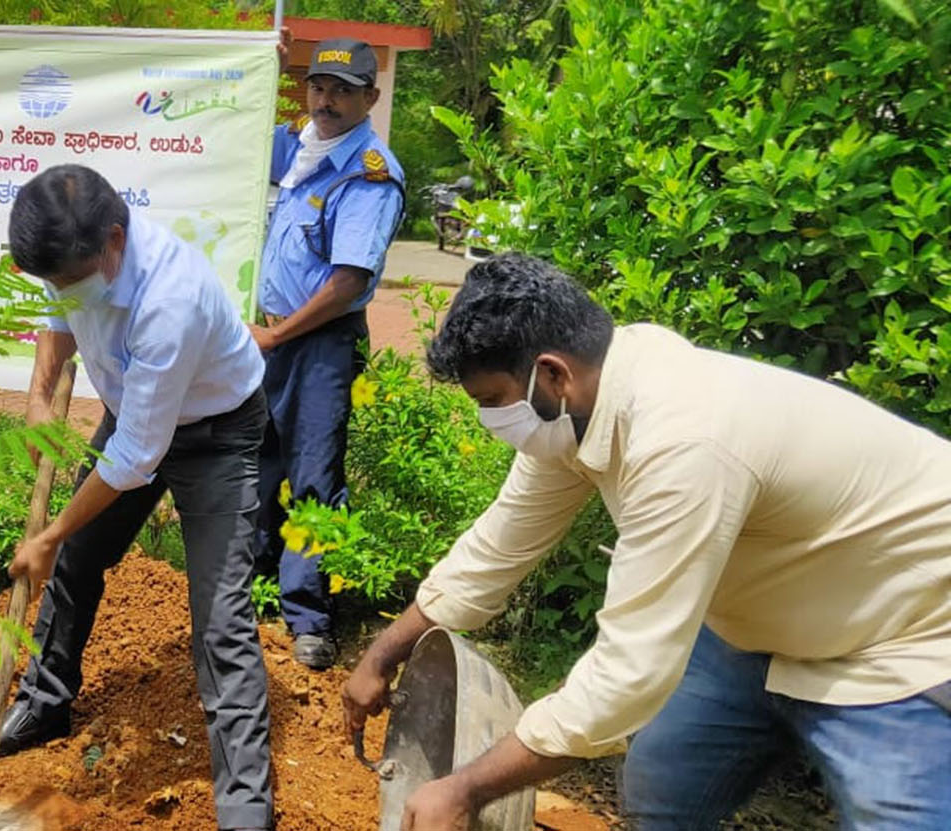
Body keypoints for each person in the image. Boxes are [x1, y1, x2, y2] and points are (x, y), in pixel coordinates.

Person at [344, 254, 951, 830]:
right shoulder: (574, 410)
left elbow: (627, 675)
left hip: (900, 638)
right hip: (757, 632)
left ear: (551, 373)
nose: (491, 421)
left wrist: (466, 788)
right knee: (664, 789)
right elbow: (499, 545)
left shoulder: (684, 440)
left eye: (491, 402)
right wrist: (382, 653)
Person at [0, 165, 277, 831]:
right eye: (54, 280)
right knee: (75, 562)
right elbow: (59, 316)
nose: (64, 290)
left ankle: (246, 805)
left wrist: (45, 533)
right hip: (136, 415)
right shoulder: (73, 258)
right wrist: (41, 394)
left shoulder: (170, 299)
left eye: (72, 278)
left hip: (217, 432)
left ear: (115, 240)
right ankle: (45, 702)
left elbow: (135, 457)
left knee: (221, 620)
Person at [250, 38, 405, 671]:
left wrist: (278, 336)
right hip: (271, 340)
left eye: (343, 90)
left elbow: (346, 283)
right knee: (256, 466)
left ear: (370, 97)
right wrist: (261, 60)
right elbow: (243, 129)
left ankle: (308, 617)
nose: (327, 100)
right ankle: (254, 594)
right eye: (318, 86)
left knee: (314, 478)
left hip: (317, 346)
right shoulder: (302, 147)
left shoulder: (368, 172)